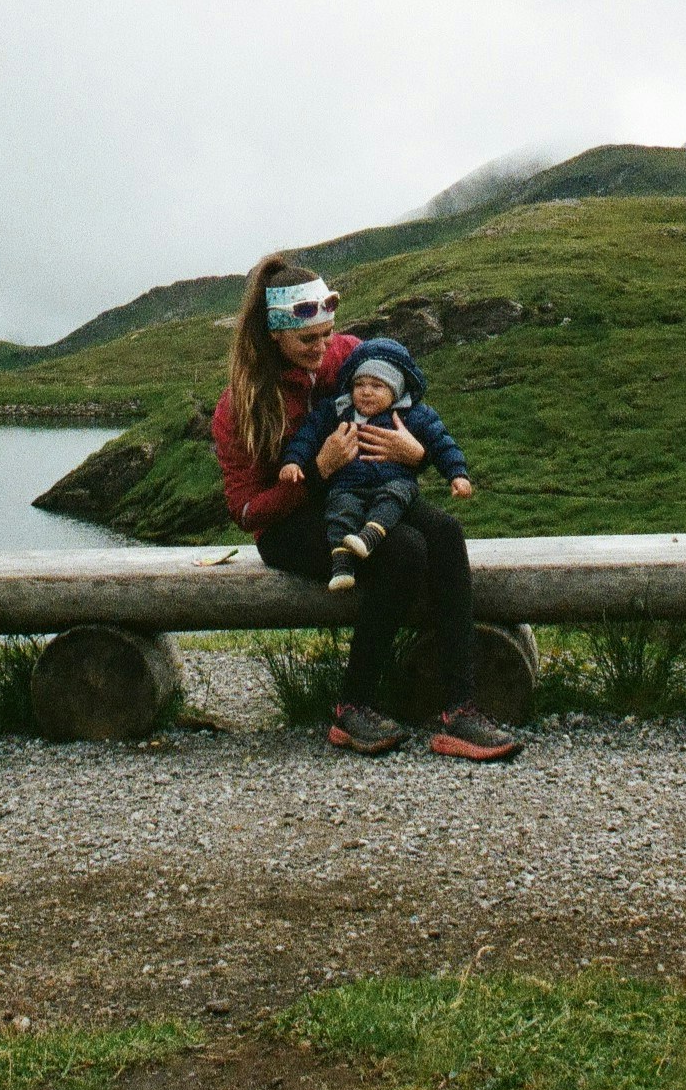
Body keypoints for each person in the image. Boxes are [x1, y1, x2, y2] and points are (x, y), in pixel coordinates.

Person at [211, 252, 521, 760]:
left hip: (365, 491)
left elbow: (410, 413)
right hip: (291, 525)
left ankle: (460, 710)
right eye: (307, 339)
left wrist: (416, 457)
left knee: (443, 532)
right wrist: (318, 472)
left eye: (328, 333)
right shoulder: (241, 404)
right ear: (274, 334)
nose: (323, 348)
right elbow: (246, 512)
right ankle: (353, 706)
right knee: (402, 551)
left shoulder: (349, 358)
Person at [278, 335, 471, 591]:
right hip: (349, 486)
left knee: (397, 495)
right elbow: (307, 436)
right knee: (340, 510)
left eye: (377, 386)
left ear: (396, 389)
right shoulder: (337, 411)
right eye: (360, 384)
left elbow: (442, 443)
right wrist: (293, 461)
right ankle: (342, 565)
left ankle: (370, 535)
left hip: (393, 482)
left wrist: (457, 475)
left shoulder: (414, 415)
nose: (366, 391)